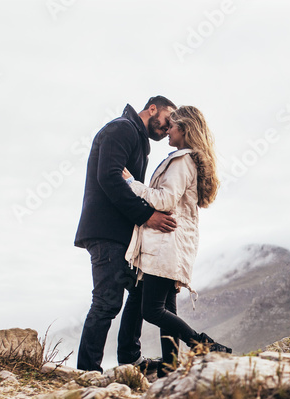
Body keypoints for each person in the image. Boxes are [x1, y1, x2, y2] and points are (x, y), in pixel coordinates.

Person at [74, 97, 180, 372]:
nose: (169, 127)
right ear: (153, 108)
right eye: (169, 118)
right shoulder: (120, 129)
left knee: (140, 291)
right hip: (106, 231)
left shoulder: (137, 138)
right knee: (107, 301)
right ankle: (87, 371)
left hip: (124, 234)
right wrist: (147, 216)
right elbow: (109, 177)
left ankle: (130, 359)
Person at [124, 105, 232, 367]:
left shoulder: (182, 160)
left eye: (171, 126)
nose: (166, 131)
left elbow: (166, 199)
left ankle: (201, 344)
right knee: (167, 310)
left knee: (151, 310)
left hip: (165, 245)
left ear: (184, 129)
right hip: (174, 245)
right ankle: (170, 368)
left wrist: (132, 184)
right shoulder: (188, 160)